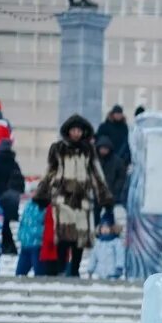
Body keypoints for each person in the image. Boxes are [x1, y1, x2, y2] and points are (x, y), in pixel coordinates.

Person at [34, 115, 113, 277]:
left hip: (82, 199)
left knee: (80, 238)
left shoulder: (89, 150)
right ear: (68, 131)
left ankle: (75, 270)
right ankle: (62, 269)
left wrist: (104, 197)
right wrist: (42, 194)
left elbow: (97, 174)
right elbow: (50, 172)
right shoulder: (58, 149)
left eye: (79, 130)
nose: (76, 133)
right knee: (63, 237)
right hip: (62, 198)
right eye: (73, 130)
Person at [84, 212, 123, 279]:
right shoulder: (98, 242)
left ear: (111, 228)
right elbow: (94, 256)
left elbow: (120, 255)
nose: (104, 230)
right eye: (103, 228)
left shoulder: (116, 242)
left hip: (112, 273)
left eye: (107, 227)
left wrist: (119, 267)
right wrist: (90, 269)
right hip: (100, 273)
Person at [15, 197, 46, 275]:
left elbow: (47, 225)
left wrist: (37, 233)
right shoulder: (28, 205)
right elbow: (23, 222)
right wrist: (20, 234)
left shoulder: (45, 206)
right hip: (25, 244)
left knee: (39, 274)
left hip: (37, 245)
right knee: (19, 274)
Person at [96, 136, 128, 206]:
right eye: (102, 148)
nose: (103, 150)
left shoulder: (117, 161)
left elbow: (122, 176)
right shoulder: (94, 160)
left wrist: (115, 189)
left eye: (105, 148)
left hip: (111, 194)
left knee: (110, 213)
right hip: (96, 194)